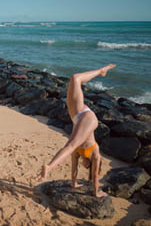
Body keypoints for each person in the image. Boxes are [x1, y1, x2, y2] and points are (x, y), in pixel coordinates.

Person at [37, 64, 115, 198]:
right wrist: (97, 192)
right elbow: (95, 175)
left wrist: (74, 183)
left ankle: (49, 167)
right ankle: (101, 71)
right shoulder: (95, 154)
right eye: (86, 166)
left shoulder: (79, 152)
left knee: (75, 78)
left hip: (78, 117)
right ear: (89, 164)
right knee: (75, 78)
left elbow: (74, 170)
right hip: (87, 118)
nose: (84, 166)